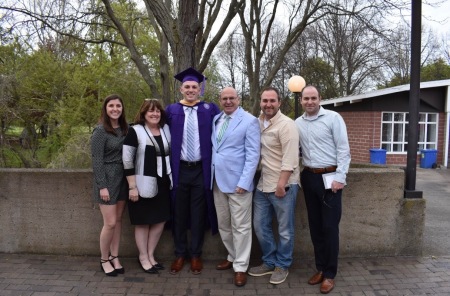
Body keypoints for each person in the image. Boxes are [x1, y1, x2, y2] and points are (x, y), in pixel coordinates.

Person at [295, 85, 351, 294]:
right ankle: (320, 268)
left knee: (329, 228)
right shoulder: (297, 123)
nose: (309, 102)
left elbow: (343, 149)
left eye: (313, 98)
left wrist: (340, 177)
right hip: (309, 177)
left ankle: (329, 274)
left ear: (320, 98)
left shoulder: (333, 118)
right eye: (306, 99)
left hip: (331, 178)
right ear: (301, 100)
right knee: (315, 227)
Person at [166, 67, 220, 275]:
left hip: (201, 170)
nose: (190, 90)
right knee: (179, 213)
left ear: (200, 89)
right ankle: (180, 254)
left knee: (198, 213)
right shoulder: (171, 110)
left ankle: (196, 255)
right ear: (181, 89)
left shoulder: (209, 109)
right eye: (187, 87)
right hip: (179, 169)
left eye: (194, 87)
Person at [248, 87, 300, 285]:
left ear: (279, 102)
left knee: (285, 230)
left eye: (272, 101)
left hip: (283, 185)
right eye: (264, 101)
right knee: (260, 226)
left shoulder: (287, 125)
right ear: (260, 102)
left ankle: (282, 265)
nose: (268, 104)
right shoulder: (258, 122)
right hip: (263, 185)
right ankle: (269, 261)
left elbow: (291, 157)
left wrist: (282, 184)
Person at [211, 87, 260, 287]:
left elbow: (253, 155)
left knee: (241, 227)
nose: (228, 101)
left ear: (238, 99)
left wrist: (244, 182)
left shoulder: (249, 121)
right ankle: (232, 256)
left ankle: (240, 267)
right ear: (220, 100)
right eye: (225, 98)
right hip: (217, 182)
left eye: (232, 98)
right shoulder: (217, 119)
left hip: (239, 184)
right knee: (224, 224)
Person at [122, 99, 172, 274]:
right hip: (142, 183)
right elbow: (127, 160)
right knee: (143, 222)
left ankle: (151, 255)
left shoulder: (165, 130)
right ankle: (143, 256)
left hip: (164, 182)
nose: (155, 114)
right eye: (151, 111)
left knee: (160, 220)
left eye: (158, 111)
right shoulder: (135, 131)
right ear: (143, 114)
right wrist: (132, 187)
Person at [91, 94, 129, 277]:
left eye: (118, 106)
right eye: (111, 106)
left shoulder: (125, 129)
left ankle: (115, 256)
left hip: (123, 179)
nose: (115, 109)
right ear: (105, 109)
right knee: (110, 223)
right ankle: (104, 259)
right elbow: (96, 160)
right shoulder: (100, 131)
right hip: (107, 180)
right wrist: (102, 186)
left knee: (119, 220)